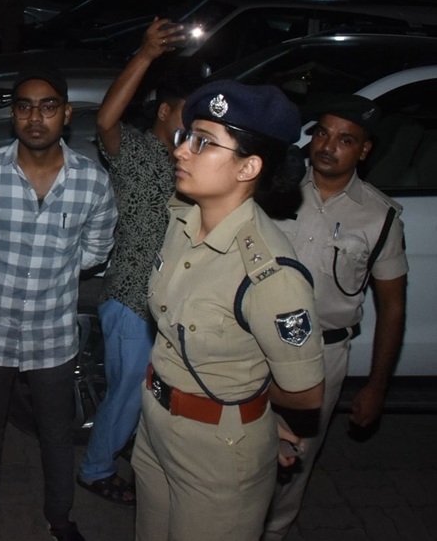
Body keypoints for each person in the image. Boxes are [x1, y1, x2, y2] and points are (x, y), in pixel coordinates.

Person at [131, 79, 326, 540]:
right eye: (186, 137)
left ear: (248, 167)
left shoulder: (270, 274)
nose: (181, 152)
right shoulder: (182, 217)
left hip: (219, 452)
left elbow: (305, 394)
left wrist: (251, 409)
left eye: (203, 143)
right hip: (155, 426)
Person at [0, 66, 118, 541]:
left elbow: (96, 249)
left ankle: (59, 516)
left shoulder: (91, 181)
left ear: (65, 115)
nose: (35, 117)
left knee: (56, 431)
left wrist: (52, 275)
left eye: (48, 107)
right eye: (24, 106)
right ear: (14, 114)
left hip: (52, 333)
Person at [263, 94, 408, 540]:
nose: (328, 145)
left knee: (295, 460)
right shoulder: (274, 188)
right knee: (237, 449)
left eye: (346, 139)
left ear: (364, 151)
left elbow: (393, 306)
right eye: (322, 132)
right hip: (254, 345)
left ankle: (273, 533)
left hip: (322, 357)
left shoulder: (379, 217)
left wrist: (377, 386)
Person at [76, 18, 200, 506]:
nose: (195, 129)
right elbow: (106, 121)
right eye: (188, 118)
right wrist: (146, 54)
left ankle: (124, 446)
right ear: (166, 112)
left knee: (146, 392)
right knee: (128, 390)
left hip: (168, 301)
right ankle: (96, 467)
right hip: (132, 298)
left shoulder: (187, 164)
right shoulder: (140, 153)